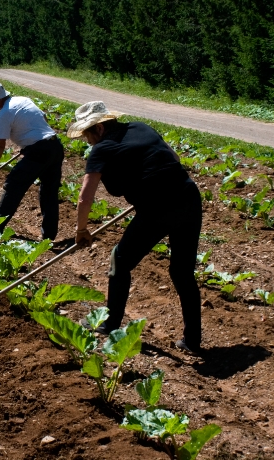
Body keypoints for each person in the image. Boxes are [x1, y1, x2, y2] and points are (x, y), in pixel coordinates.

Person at [68, 101, 203, 353]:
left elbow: (85, 197)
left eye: (87, 135)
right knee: (183, 272)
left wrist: (81, 230)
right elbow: (174, 158)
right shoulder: (141, 127)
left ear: (97, 129)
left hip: (157, 208)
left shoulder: (102, 149)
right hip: (187, 196)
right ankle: (193, 340)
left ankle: (109, 325)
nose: (88, 142)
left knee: (119, 261)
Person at [0, 82, 64, 240]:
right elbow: (43, 118)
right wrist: (30, 139)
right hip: (54, 146)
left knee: (14, 185)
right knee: (49, 192)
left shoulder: (5, 113)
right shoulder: (23, 100)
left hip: (38, 152)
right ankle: (49, 235)